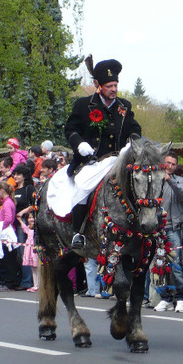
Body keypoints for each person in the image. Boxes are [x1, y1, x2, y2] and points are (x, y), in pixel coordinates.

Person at [64, 57, 142, 249]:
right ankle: (78, 232)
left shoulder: (124, 106)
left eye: (115, 85)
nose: (114, 89)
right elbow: (70, 129)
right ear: (98, 85)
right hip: (91, 161)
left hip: (117, 160)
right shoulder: (83, 105)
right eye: (109, 86)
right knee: (82, 187)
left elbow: (135, 128)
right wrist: (79, 143)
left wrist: (131, 142)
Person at [154, 152, 183, 313]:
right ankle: (165, 298)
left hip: (173, 228)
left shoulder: (180, 180)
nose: (170, 166)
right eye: (167, 162)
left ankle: (181, 298)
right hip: (156, 229)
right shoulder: (154, 179)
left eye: (173, 164)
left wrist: (170, 182)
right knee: (159, 265)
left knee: (176, 265)